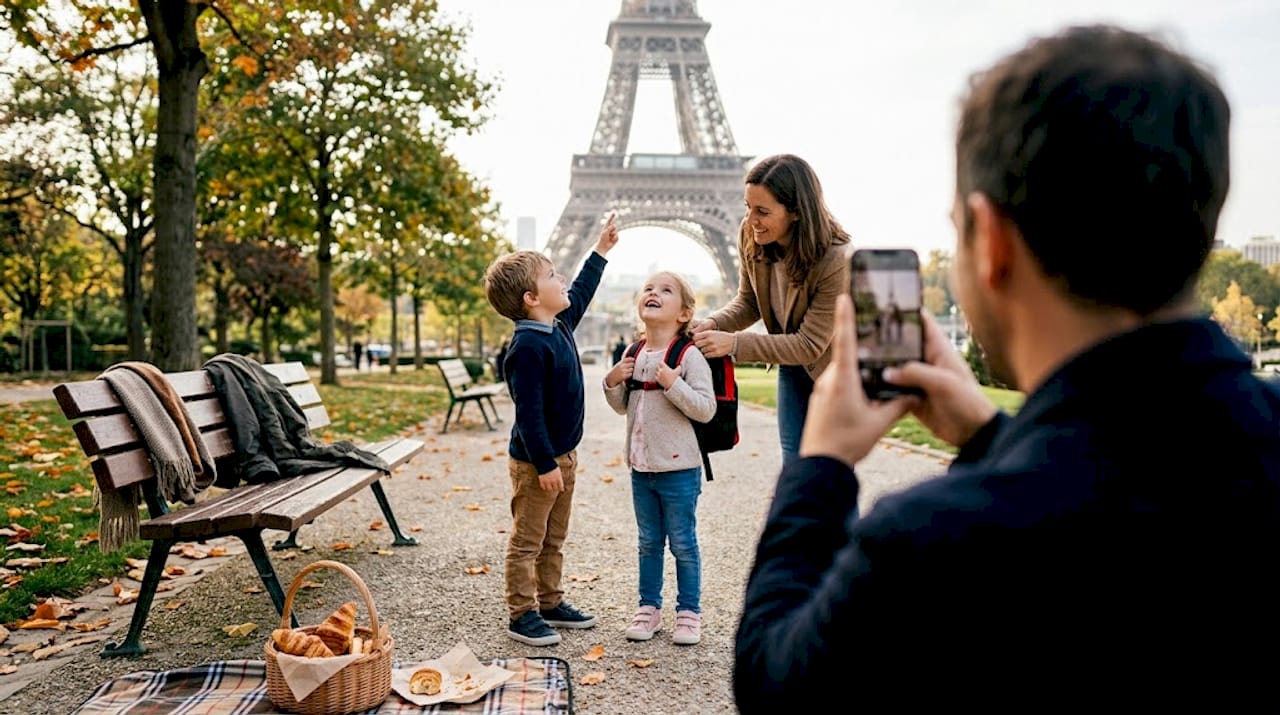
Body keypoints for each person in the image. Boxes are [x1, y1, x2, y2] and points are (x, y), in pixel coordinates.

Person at [733, 25, 1280, 710]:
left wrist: (821, 466)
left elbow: (772, 682)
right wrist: (993, 436)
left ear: (989, 241)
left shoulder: (934, 540)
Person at [483, 211, 619, 647]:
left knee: (554, 537)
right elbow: (529, 414)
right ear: (530, 298)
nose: (561, 279)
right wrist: (543, 463)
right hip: (538, 463)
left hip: (564, 457)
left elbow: (581, 290)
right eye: (552, 274)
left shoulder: (559, 325)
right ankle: (521, 613)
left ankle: (551, 600)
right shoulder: (526, 348)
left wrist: (599, 251)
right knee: (528, 540)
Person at [691, 154, 852, 467]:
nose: (751, 219)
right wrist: (712, 324)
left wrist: (735, 344)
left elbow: (810, 344)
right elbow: (749, 302)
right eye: (747, 207)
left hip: (837, 370)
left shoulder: (836, 258)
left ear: (795, 212)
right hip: (791, 363)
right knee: (794, 464)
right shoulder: (751, 234)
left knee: (832, 469)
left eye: (762, 211)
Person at [603, 271, 716, 646]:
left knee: (683, 542)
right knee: (648, 542)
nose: (653, 293)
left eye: (665, 290)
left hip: (679, 469)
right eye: (648, 288)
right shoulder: (632, 352)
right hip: (641, 467)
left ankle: (688, 612)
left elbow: (705, 409)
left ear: (683, 313)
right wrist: (613, 381)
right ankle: (648, 607)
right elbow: (623, 407)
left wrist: (673, 383)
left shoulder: (688, 355)